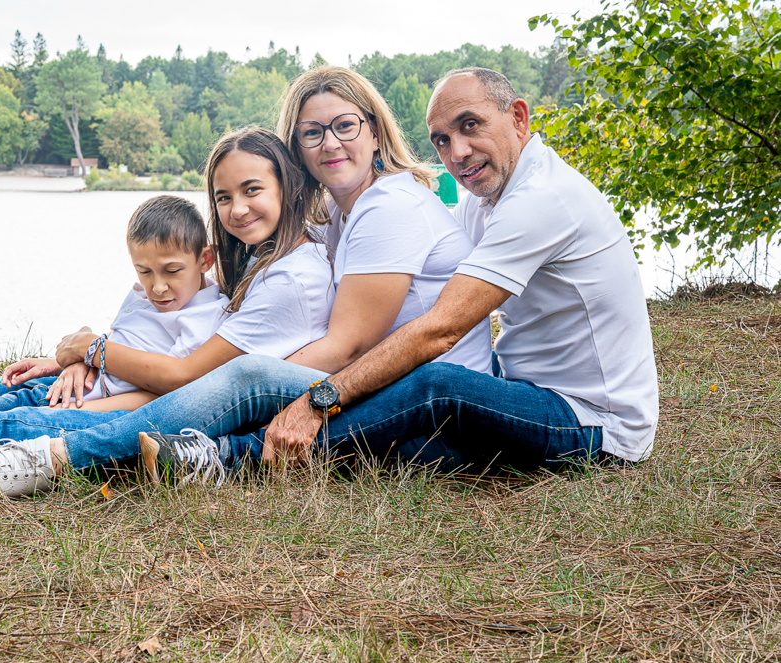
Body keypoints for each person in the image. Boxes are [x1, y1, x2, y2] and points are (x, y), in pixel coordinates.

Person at [0, 64, 494, 488]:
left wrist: (205, 382)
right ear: (296, 153)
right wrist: (102, 355)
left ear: (374, 131)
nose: (330, 143)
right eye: (312, 133)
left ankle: (54, 457)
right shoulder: (337, 212)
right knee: (224, 380)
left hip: (421, 414)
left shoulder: (389, 206)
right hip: (379, 390)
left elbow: (345, 347)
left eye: (345, 126)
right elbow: (221, 319)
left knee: (242, 379)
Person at [145, 66, 659, 480]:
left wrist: (317, 401)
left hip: (592, 422)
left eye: (471, 126)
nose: (457, 152)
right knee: (414, 385)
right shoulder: (482, 199)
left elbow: (442, 329)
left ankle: (231, 458)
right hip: (520, 386)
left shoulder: (542, 200)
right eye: (442, 140)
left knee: (435, 382)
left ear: (519, 118)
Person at [0, 127, 335, 494]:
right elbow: (150, 331)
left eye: (252, 190)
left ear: (286, 185)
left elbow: (187, 377)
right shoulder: (260, 258)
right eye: (222, 196)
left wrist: (90, 353)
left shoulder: (288, 278)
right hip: (112, 387)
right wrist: (79, 359)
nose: (237, 209)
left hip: (143, 408)